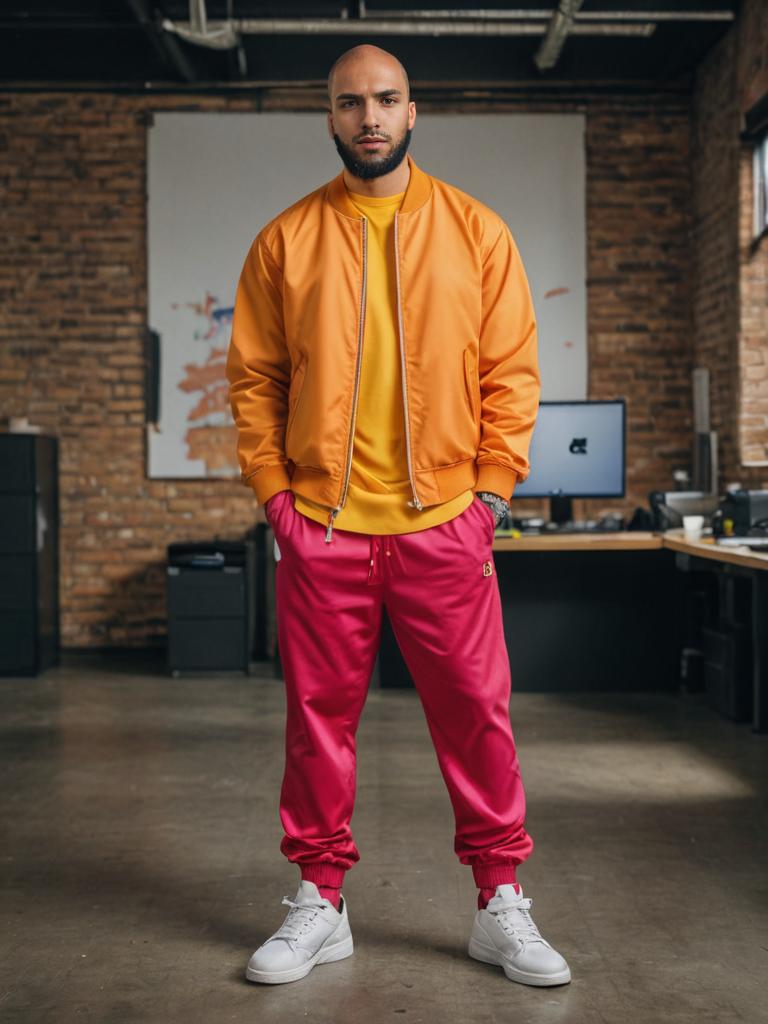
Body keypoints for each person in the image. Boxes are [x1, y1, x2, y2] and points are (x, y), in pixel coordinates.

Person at [225, 43, 571, 989]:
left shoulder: (476, 233)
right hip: (325, 529)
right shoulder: (285, 242)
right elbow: (252, 382)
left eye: (384, 100)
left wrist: (492, 493)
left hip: (444, 523)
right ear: (329, 117)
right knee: (316, 722)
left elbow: (512, 374)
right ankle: (320, 902)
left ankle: (500, 903)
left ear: (412, 111)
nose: (368, 117)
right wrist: (275, 499)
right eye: (350, 103)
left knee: (476, 719)